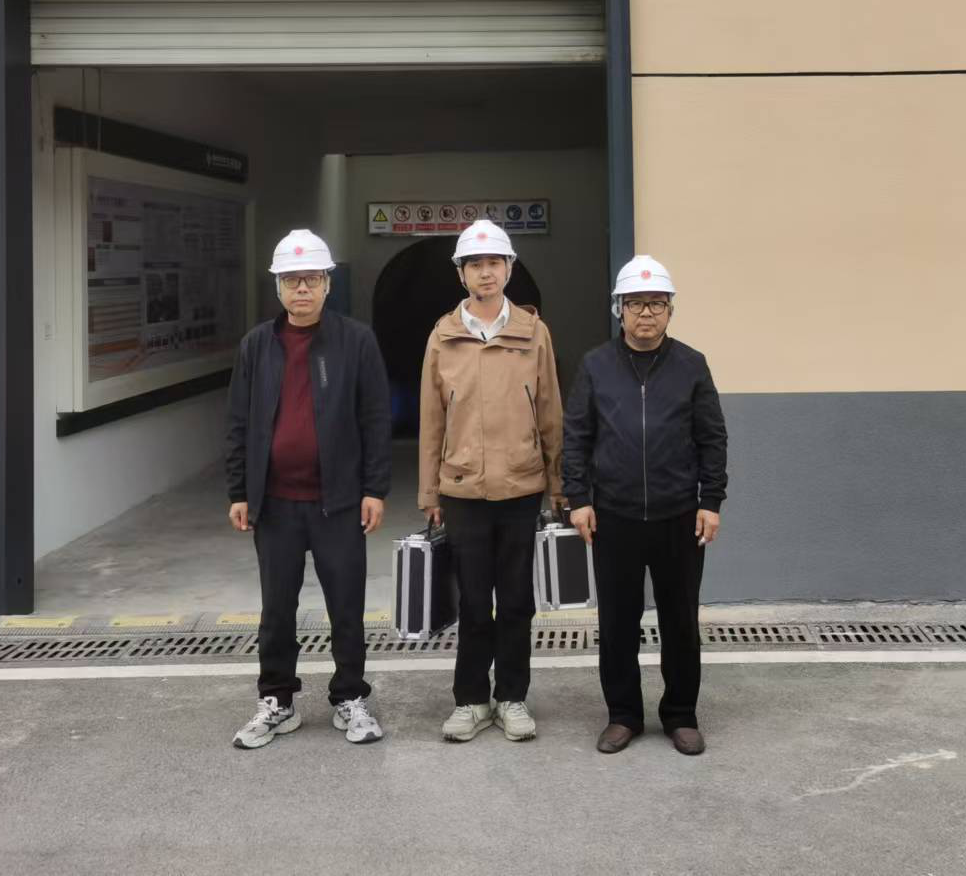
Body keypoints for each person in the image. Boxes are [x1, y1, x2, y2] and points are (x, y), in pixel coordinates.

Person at [225, 229, 390, 750]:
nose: (302, 288)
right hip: (274, 504)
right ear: (278, 286)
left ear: (327, 284)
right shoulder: (257, 345)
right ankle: (277, 699)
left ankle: (350, 697)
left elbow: (375, 418)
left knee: (347, 605)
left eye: (312, 279)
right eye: (292, 280)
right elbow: (238, 422)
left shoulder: (355, 340)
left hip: (338, 501)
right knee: (276, 608)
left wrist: (374, 488)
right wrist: (239, 490)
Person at [562, 255, 728, 756]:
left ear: (671, 310)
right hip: (614, 517)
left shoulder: (691, 364)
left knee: (680, 622)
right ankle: (623, 715)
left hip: (679, 516)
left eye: (656, 303)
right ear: (620, 309)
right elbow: (577, 436)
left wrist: (710, 501)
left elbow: (712, 437)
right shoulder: (596, 365)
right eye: (636, 303)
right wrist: (579, 498)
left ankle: (681, 715)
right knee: (617, 623)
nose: (646, 313)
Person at [418, 218, 563, 743]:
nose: (486, 272)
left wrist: (559, 484)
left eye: (494, 263)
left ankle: (512, 698)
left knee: (518, 601)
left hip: (522, 488)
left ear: (509, 268)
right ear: (461, 274)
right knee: (474, 602)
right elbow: (431, 419)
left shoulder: (533, 332)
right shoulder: (444, 335)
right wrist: (430, 491)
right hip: (463, 490)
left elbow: (550, 412)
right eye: (475, 264)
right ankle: (471, 700)